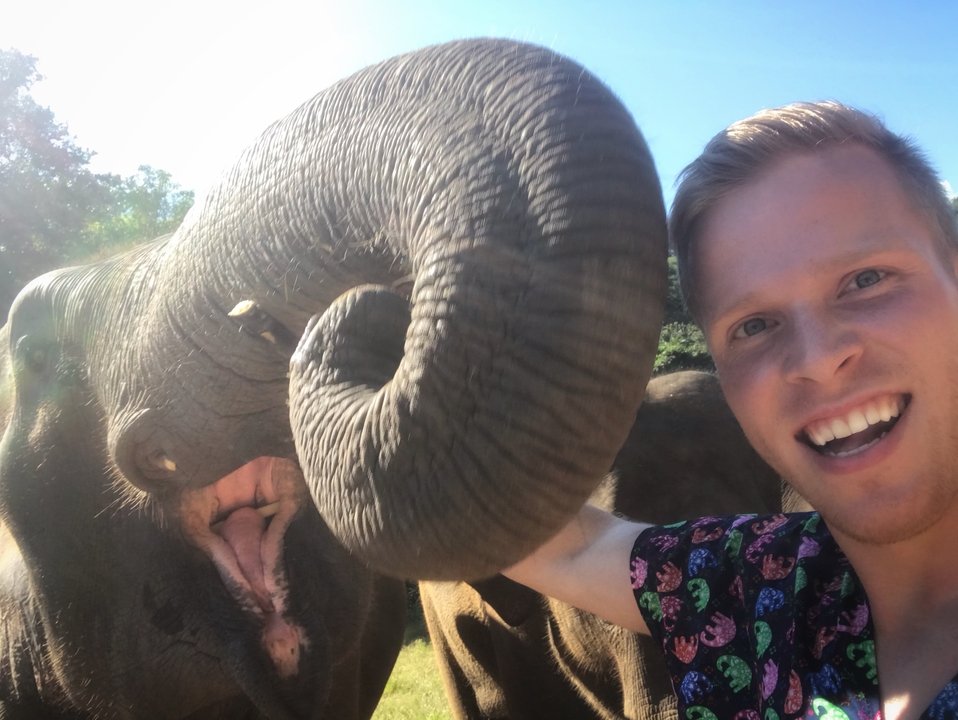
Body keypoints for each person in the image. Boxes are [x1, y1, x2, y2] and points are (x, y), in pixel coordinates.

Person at [504, 101, 958, 720]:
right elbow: (565, 548)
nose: (819, 359)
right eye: (754, 325)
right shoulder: (761, 586)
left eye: (866, 279)